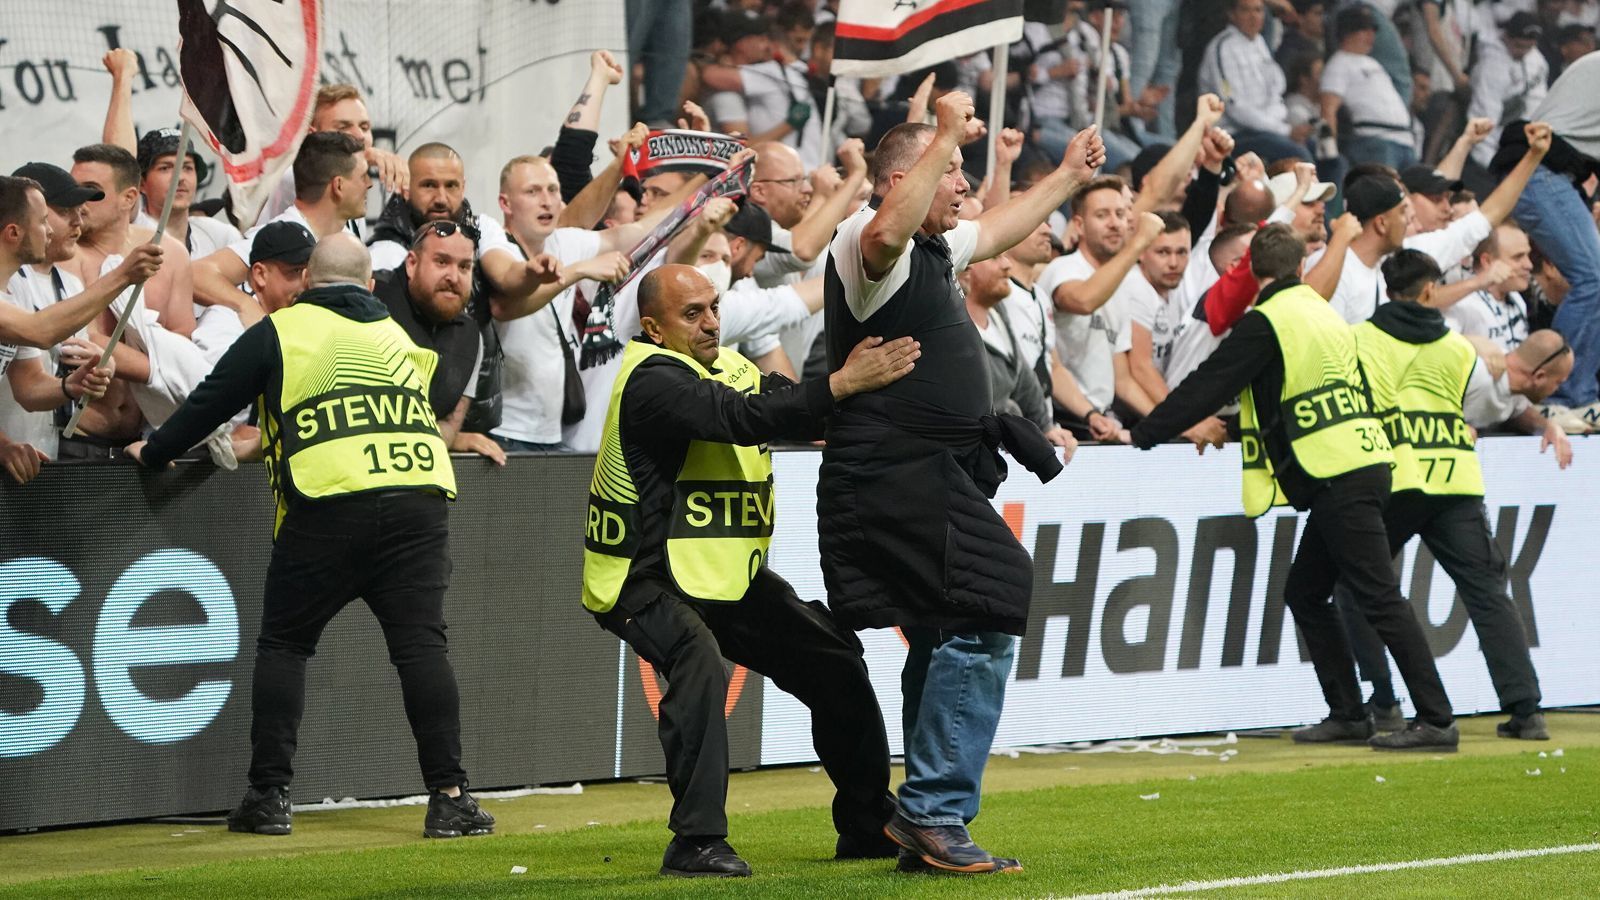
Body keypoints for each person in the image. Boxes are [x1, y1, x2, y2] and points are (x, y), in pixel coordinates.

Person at [127, 233, 494, 841]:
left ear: (305, 284)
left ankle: (269, 797)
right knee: (422, 650)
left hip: (326, 503)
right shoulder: (399, 339)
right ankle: (450, 798)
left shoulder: (283, 331)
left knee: (286, 647)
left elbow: (208, 404)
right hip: (418, 505)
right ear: (372, 286)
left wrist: (156, 452)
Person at [819, 91, 1103, 873]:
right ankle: (934, 811)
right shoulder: (866, 240)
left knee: (948, 624)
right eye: (953, 176)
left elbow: (1002, 228)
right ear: (909, 174)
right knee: (991, 595)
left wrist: (1069, 178)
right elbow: (884, 229)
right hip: (892, 470)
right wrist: (946, 132)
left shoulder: (937, 249)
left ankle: (922, 817)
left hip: (922, 469)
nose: (965, 192)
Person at [580, 264, 917, 877]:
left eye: (713, 308)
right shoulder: (652, 378)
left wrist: (868, 395)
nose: (710, 323)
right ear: (652, 328)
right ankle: (695, 843)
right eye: (692, 314)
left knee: (834, 659)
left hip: (723, 574)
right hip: (640, 575)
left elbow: (790, 409)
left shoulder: (729, 366)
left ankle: (868, 824)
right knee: (697, 659)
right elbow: (740, 419)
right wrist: (839, 385)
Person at [1131, 224, 1460, 752]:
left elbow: (1211, 381)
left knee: (1377, 596)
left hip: (1338, 470)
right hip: (1364, 459)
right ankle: (1349, 714)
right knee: (1306, 592)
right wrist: (1236, 429)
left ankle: (1436, 719)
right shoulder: (1323, 313)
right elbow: (1301, 398)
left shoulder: (1269, 321)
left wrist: (1146, 433)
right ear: (1302, 267)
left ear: (1251, 272)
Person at [1345, 249, 1565, 741]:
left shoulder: (1360, 339)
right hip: (1456, 477)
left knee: (1355, 586)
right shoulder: (1459, 349)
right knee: (1487, 593)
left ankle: (1383, 704)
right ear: (1429, 292)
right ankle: (1527, 710)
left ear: (1387, 289)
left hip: (1398, 477)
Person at [1490, 51, 1600, 424]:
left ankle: (1576, 393)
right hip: (1540, 171)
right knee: (1593, 277)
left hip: (1547, 173)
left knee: (1593, 279)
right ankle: (1562, 394)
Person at [372, 221, 501, 464]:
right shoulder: (370, 307)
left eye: (464, 266)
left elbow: (449, 429)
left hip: (421, 475)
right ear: (412, 264)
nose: (453, 277)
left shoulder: (471, 338)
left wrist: (455, 439)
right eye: (442, 262)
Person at [960, 253, 1078, 448]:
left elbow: (1024, 378)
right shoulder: (951, 322)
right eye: (994, 257)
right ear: (965, 266)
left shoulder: (998, 312)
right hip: (969, 452)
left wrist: (1045, 427)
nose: (1007, 265)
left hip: (1001, 451)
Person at [1198, 0, 1309, 163]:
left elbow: (1275, 91)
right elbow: (1234, 107)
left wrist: (1280, 126)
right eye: (1246, 11)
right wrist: (1284, 130)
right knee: (1298, 154)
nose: (1253, 17)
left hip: (1268, 129)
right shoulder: (1223, 47)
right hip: (1232, 134)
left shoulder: (1260, 43)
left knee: (1323, 151)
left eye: (1258, 10)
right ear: (1232, 14)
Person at [1320, 6, 1418, 169]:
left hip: (1404, 139)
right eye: (1364, 30)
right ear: (1348, 32)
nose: (1371, 35)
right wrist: (1329, 153)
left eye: (1373, 30)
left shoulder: (1373, 63)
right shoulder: (1339, 63)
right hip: (1375, 141)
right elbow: (1328, 109)